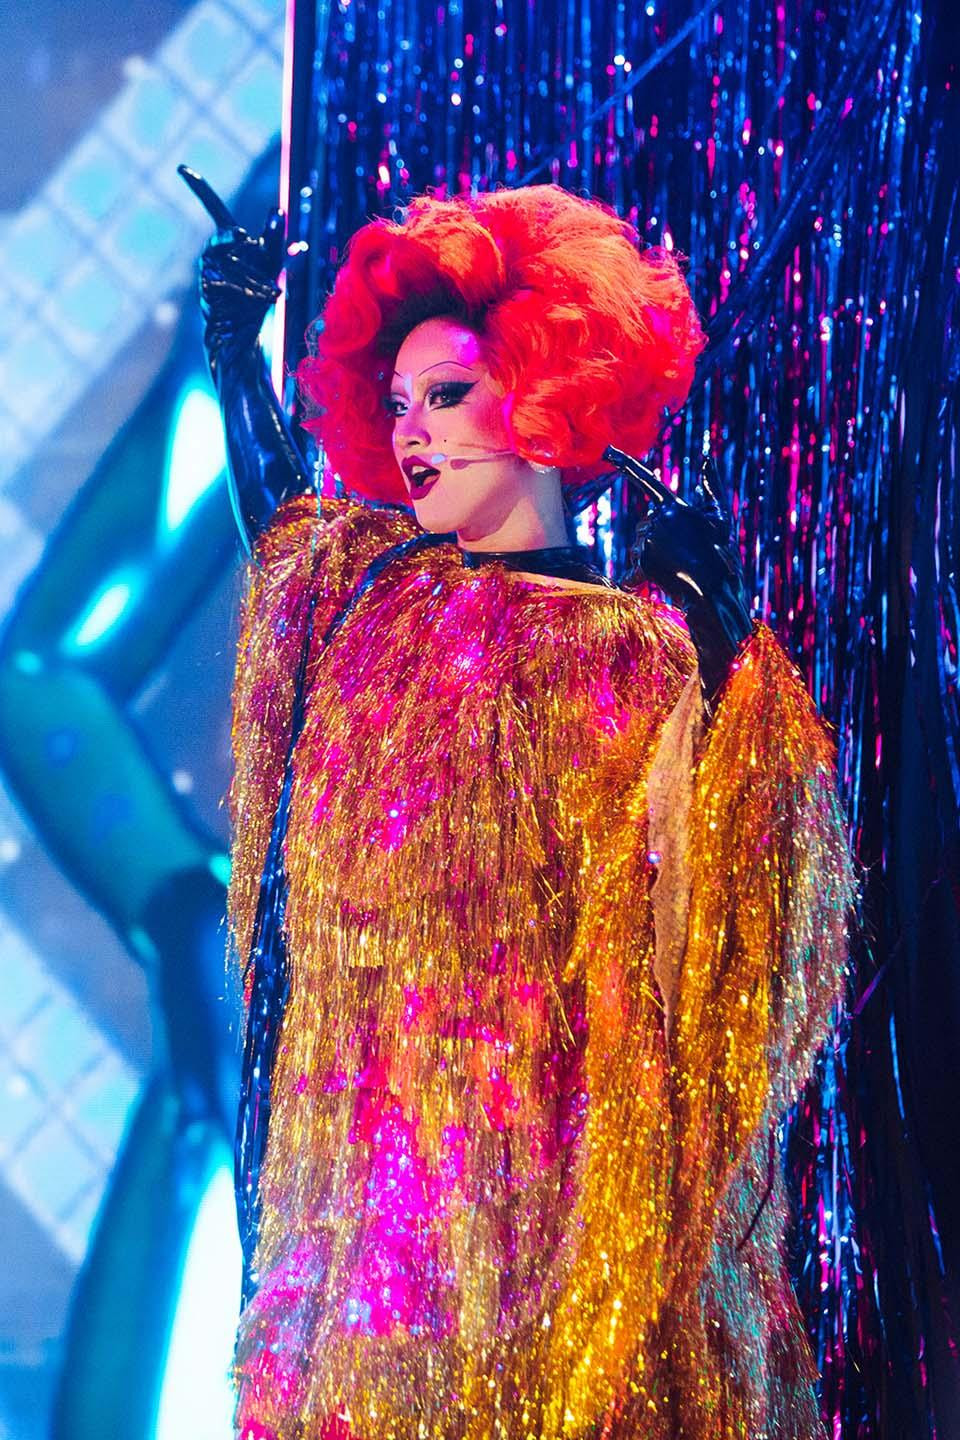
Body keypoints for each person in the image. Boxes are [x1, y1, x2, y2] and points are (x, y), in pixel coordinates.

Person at [184, 173, 856, 1440]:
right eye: (398, 405)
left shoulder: (628, 650)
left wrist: (727, 640)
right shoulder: (368, 598)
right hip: (370, 1186)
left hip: (546, 1181)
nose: (415, 432)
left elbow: (731, 910)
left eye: (447, 396)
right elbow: (279, 514)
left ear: (546, 396)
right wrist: (232, 346)